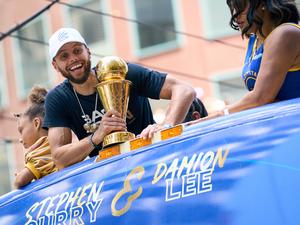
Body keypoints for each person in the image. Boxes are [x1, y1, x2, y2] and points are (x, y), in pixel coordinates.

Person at [43, 27, 196, 169]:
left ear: (88, 52)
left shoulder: (119, 71)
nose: (73, 59)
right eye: (64, 56)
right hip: (110, 175)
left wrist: (165, 126)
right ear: (55, 65)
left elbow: (184, 89)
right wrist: (97, 135)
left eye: (77, 50)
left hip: (152, 160)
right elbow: (59, 159)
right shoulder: (58, 98)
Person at [190, 0, 300, 125]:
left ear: (263, 4)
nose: (235, 15)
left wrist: (214, 118)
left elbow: (261, 97)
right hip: (281, 125)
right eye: (233, 9)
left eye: (240, 7)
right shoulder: (254, 40)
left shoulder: (285, 34)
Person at [14, 86, 58, 188]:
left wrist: (20, 176)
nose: (21, 139)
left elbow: (19, 182)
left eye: (21, 131)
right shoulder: (56, 142)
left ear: (36, 123)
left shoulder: (41, 151)